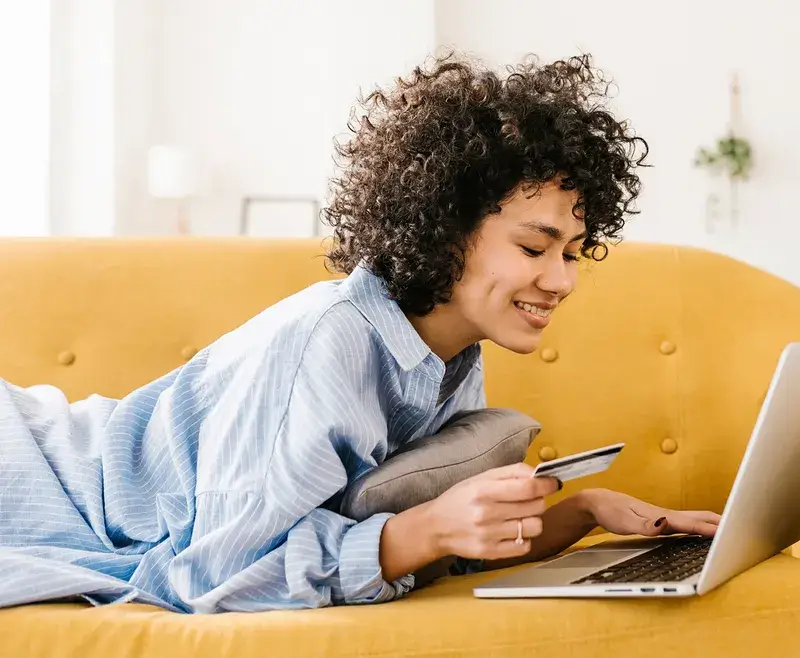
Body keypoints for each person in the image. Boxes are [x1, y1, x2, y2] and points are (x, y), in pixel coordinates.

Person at [0, 51, 719, 615]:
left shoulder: (449, 357)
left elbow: (424, 546)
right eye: (535, 247)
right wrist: (426, 529)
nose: (562, 280)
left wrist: (583, 515)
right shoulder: (330, 342)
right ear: (444, 229)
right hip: (31, 474)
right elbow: (209, 580)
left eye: (571, 251)